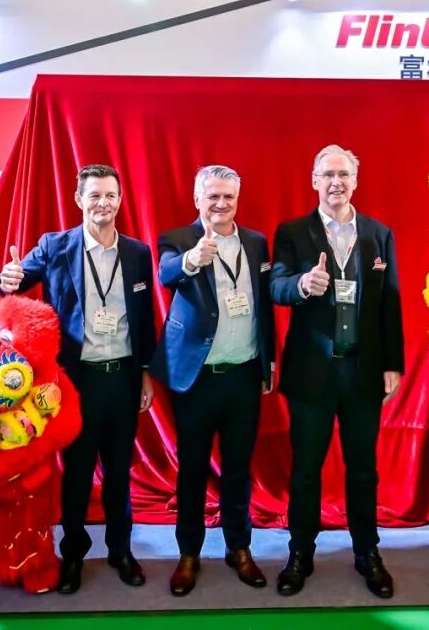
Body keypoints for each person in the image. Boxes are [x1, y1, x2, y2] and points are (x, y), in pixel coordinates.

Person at [0, 164, 156, 595]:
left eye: (110, 195)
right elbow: (8, 283)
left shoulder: (138, 253)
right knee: (78, 475)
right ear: (79, 199)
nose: (103, 203)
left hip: (122, 378)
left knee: (119, 474)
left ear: (120, 200)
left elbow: (144, 319)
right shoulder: (56, 247)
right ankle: (74, 555)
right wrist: (4, 280)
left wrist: (145, 372)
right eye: (95, 195)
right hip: (76, 382)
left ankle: (121, 550)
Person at [269, 144, 404, 599]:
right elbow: (276, 286)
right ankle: (299, 553)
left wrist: (393, 363)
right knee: (306, 469)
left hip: (362, 372)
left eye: (343, 174)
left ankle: (367, 552)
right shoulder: (293, 232)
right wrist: (302, 284)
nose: (335, 182)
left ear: (355, 181)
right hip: (312, 374)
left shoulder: (378, 234)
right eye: (327, 174)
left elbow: (390, 302)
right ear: (314, 181)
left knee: (363, 469)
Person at [150, 165, 275, 597]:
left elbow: (263, 306)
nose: (221, 204)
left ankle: (239, 548)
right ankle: (189, 553)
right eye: (213, 197)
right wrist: (191, 260)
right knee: (193, 469)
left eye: (228, 197)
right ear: (197, 199)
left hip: (243, 375)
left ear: (237, 199)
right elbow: (166, 274)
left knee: (239, 468)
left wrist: (267, 364)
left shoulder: (256, 242)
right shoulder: (178, 239)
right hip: (196, 379)